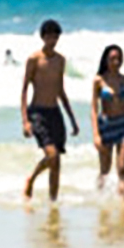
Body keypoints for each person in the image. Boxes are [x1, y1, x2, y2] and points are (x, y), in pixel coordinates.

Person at [21, 19, 80, 202]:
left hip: (55, 112)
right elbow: (24, 90)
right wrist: (25, 121)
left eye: (55, 37)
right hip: (38, 113)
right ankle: (31, 179)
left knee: (57, 162)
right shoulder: (34, 59)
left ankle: (53, 202)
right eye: (49, 37)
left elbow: (60, 90)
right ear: (43, 37)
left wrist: (72, 119)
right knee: (52, 155)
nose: (52, 41)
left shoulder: (60, 60)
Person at [91, 45, 124, 199]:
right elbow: (94, 109)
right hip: (106, 125)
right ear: (106, 60)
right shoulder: (99, 81)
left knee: (122, 168)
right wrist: (96, 134)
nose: (116, 62)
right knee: (105, 170)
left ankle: (123, 202)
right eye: (112, 59)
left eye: (119, 58)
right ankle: (100, 199)